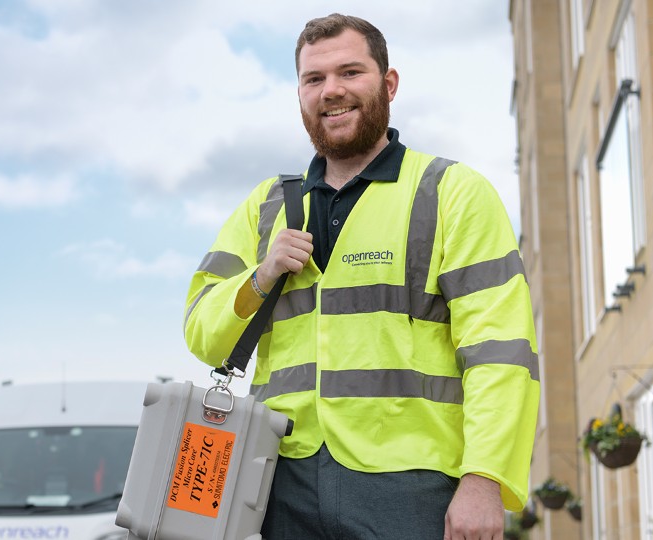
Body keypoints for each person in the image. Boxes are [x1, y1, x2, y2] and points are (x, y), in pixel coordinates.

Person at [183, 13, 540, 540]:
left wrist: (485, 478)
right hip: (281, 480)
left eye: (350, 72)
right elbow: (201, 335)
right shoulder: (264, 208)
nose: (332, 91)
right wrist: (258, 279)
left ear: (388, 84)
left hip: (412, 483)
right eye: (314, 79)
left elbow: (499, 350)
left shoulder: (451, 193)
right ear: (300, 93)